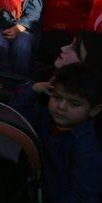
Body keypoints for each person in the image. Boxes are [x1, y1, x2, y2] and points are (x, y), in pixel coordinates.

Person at [11, 63, 102, 201]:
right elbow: (15, 116)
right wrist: (33, 89)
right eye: (57, 97)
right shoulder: (45, 118)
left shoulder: (85, 148)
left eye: (74, 104)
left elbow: (83, 195)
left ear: (94, 110)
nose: (61, 107)